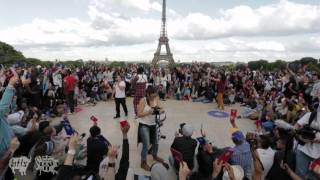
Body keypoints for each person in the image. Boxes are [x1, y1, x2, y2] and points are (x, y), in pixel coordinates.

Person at [137, 86, 166, 171]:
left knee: (156, 142)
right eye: (152, 96)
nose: (154, 97)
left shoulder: (156, 98)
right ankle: (143, 162)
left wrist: (161, 110)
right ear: (148, 94)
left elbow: (161, 107)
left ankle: (154, 155)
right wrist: (148, 112)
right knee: (146, 144)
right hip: (144, 124)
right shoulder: (143, 100)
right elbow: (139, 114)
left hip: (154, 124)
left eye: (155, 95)